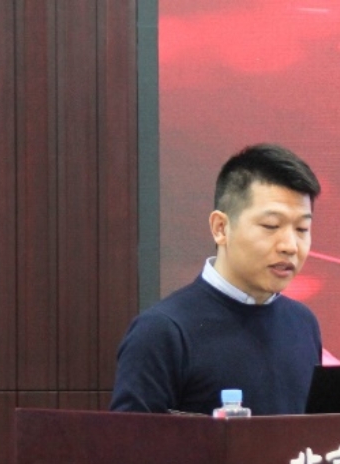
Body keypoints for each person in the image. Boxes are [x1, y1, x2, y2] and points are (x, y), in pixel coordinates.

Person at [109, 143, 323, 415]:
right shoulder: (162, 331)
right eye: (271, 226)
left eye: (302, 228)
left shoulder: (303, 324)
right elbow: (128, 440)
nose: (290, 246)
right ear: (220, 228)